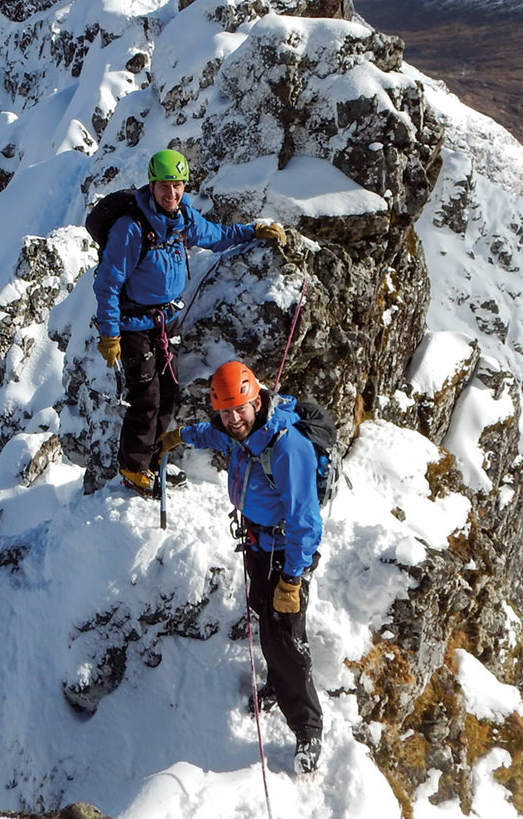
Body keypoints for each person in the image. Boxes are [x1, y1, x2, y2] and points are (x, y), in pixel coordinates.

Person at [157, 361, 324, 775]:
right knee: (264, 618)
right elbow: (215, 434)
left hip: (284, 554)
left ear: (256, 400)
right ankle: (275, 684)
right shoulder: (241, 434)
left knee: (286, 639)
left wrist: (291, 577)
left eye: (240, 409)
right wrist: (182, 435)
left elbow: (307, 522)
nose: (233, 419)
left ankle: (308, 730)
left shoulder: (286, 448)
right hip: (257, 543)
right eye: (226, 411)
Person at [94, 149, 286, 497]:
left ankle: (151, 461)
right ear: (151, 186)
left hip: (164, 322)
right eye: (165, 186)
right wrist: (110, 334)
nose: (172, 194)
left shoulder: (183, 220)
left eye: (178, 186)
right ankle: (133, 468)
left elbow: (216, 236)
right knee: (146, 396)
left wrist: (252, 232)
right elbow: (108, 282)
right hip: (133, 326)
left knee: (168, 392)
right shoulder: (131, 229)